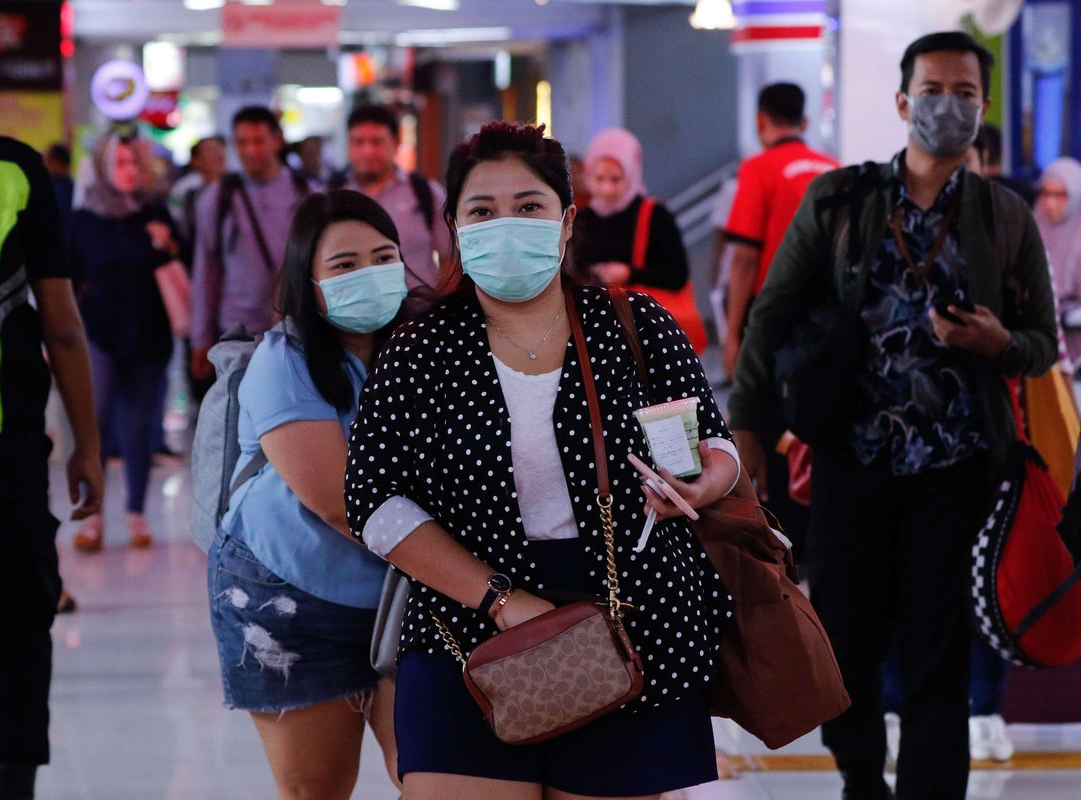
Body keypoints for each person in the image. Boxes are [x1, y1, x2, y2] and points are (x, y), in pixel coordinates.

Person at [346, 121, 739, 800]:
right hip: (464, 634)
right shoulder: (417, 351)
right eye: (482, 211)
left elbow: (716, 442)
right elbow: (375, 503)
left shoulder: (635, 324)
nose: (507, 226)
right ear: (454, 228)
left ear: (565, 222)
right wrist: (498, 599)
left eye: (528, 207)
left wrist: (704, 483)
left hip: (634, 628)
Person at [728, 32, 1057, 800]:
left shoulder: (1005, 217)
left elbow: (1042, 343)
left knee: (937, 646)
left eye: (967, 93)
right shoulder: (840, 200)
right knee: (846, 636)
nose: (950, 105)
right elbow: (770, 316)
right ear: (904, 101)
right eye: (935, 89)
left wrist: (999, 340)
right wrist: (745, 426)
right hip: (851, 456)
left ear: (982, 108)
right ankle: (860, 781)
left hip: (957, 466)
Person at [208, 190, 408, 799]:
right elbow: (340, 503)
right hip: (289, 596)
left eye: (384, 257)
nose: (368, 275)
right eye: (345, 266)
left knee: (430, 774)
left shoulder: (427, 348)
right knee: (317, 788)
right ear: (309, 281)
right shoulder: (285, 360)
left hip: (407, 591)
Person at [0, 15, 104, 797]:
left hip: (4, 440)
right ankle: (12, 784)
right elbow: (63, 329)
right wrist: (87, 445)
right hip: (3, 446)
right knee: (19, 626)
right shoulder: (17, 171)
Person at [69, 136, 181, 551]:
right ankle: (92, 516)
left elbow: (179, 260)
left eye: (133, 161)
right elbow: (66, 277)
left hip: (149, 335)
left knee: (138, 430)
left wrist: (166, 245)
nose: (129, 169)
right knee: (94, 426)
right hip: (99, 333)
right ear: (101, 167)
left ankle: (136, 513)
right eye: (119, 162)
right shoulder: (85, 219)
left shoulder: (154, 212)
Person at [721, 82, 839, 381]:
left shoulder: (758, 169)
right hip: (832, 312)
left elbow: (745, 257)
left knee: (767, 416)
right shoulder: (835, 169)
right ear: (805, 122)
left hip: (775, 315)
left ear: (760, 120)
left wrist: (732, 335)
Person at [190, 106, 310, 381]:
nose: (250, 151)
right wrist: (200, 338)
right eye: (242, 142)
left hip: (296, 329)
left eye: (258, 141)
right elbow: (205, 271)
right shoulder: (218, 198)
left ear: (276, 141)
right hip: (236, 332)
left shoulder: (306, 193)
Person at [572, 127, 707, 353]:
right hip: (597, 332)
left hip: (646, 334)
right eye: (599, 178)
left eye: (616, 179)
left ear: (632, 174)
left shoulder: (654, 215)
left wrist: (629, 273)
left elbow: (677, 276)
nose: (607, 188)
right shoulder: (582, 217)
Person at [334, 105, 453, 316]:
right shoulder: (333, 196)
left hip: (419, 318)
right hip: (353, 320)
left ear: (396, 143)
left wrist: (443, 309)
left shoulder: (424, 192)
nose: (367, 151)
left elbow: (451, 256)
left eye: (377, 142)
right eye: (358, 142)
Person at [1034, 157, 1081, 312]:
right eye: (1045, 193)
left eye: (1060, 195)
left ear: (1078, 196)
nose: (1050, 203)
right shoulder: (1034, 229)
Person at [168, 135, 227, 251]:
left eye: (221, 149)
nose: (219, 155)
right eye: (211, 151)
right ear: (196, 160)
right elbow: (178, 224)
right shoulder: (186, 189)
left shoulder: (236, 187)